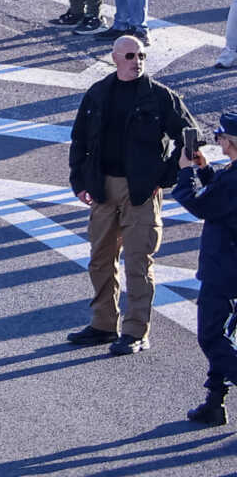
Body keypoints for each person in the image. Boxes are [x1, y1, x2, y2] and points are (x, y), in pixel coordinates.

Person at [68, 33, 196, 356]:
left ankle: (136, 331)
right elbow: (80, 140)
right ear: (115, 58)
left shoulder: (160, 97)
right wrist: (80, 182)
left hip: (140, 191)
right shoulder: (98, 94)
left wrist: (165, 176)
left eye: (140, 56)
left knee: (138, 263)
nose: (136, 62)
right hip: (103, 189)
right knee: (100, 260)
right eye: (129, 56)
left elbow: (192, 137)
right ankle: (103, 324)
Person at [170, 109, 237, 425]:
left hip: (225, 270)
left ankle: (215, 399)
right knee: (225, 335)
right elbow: (221, 195)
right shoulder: (232, 175)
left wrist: (185, 172)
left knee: (211, 337)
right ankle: (214, 401)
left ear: (230, 141)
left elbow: (198, 202)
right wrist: (206, 170)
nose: (218, 144)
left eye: (220, 138)